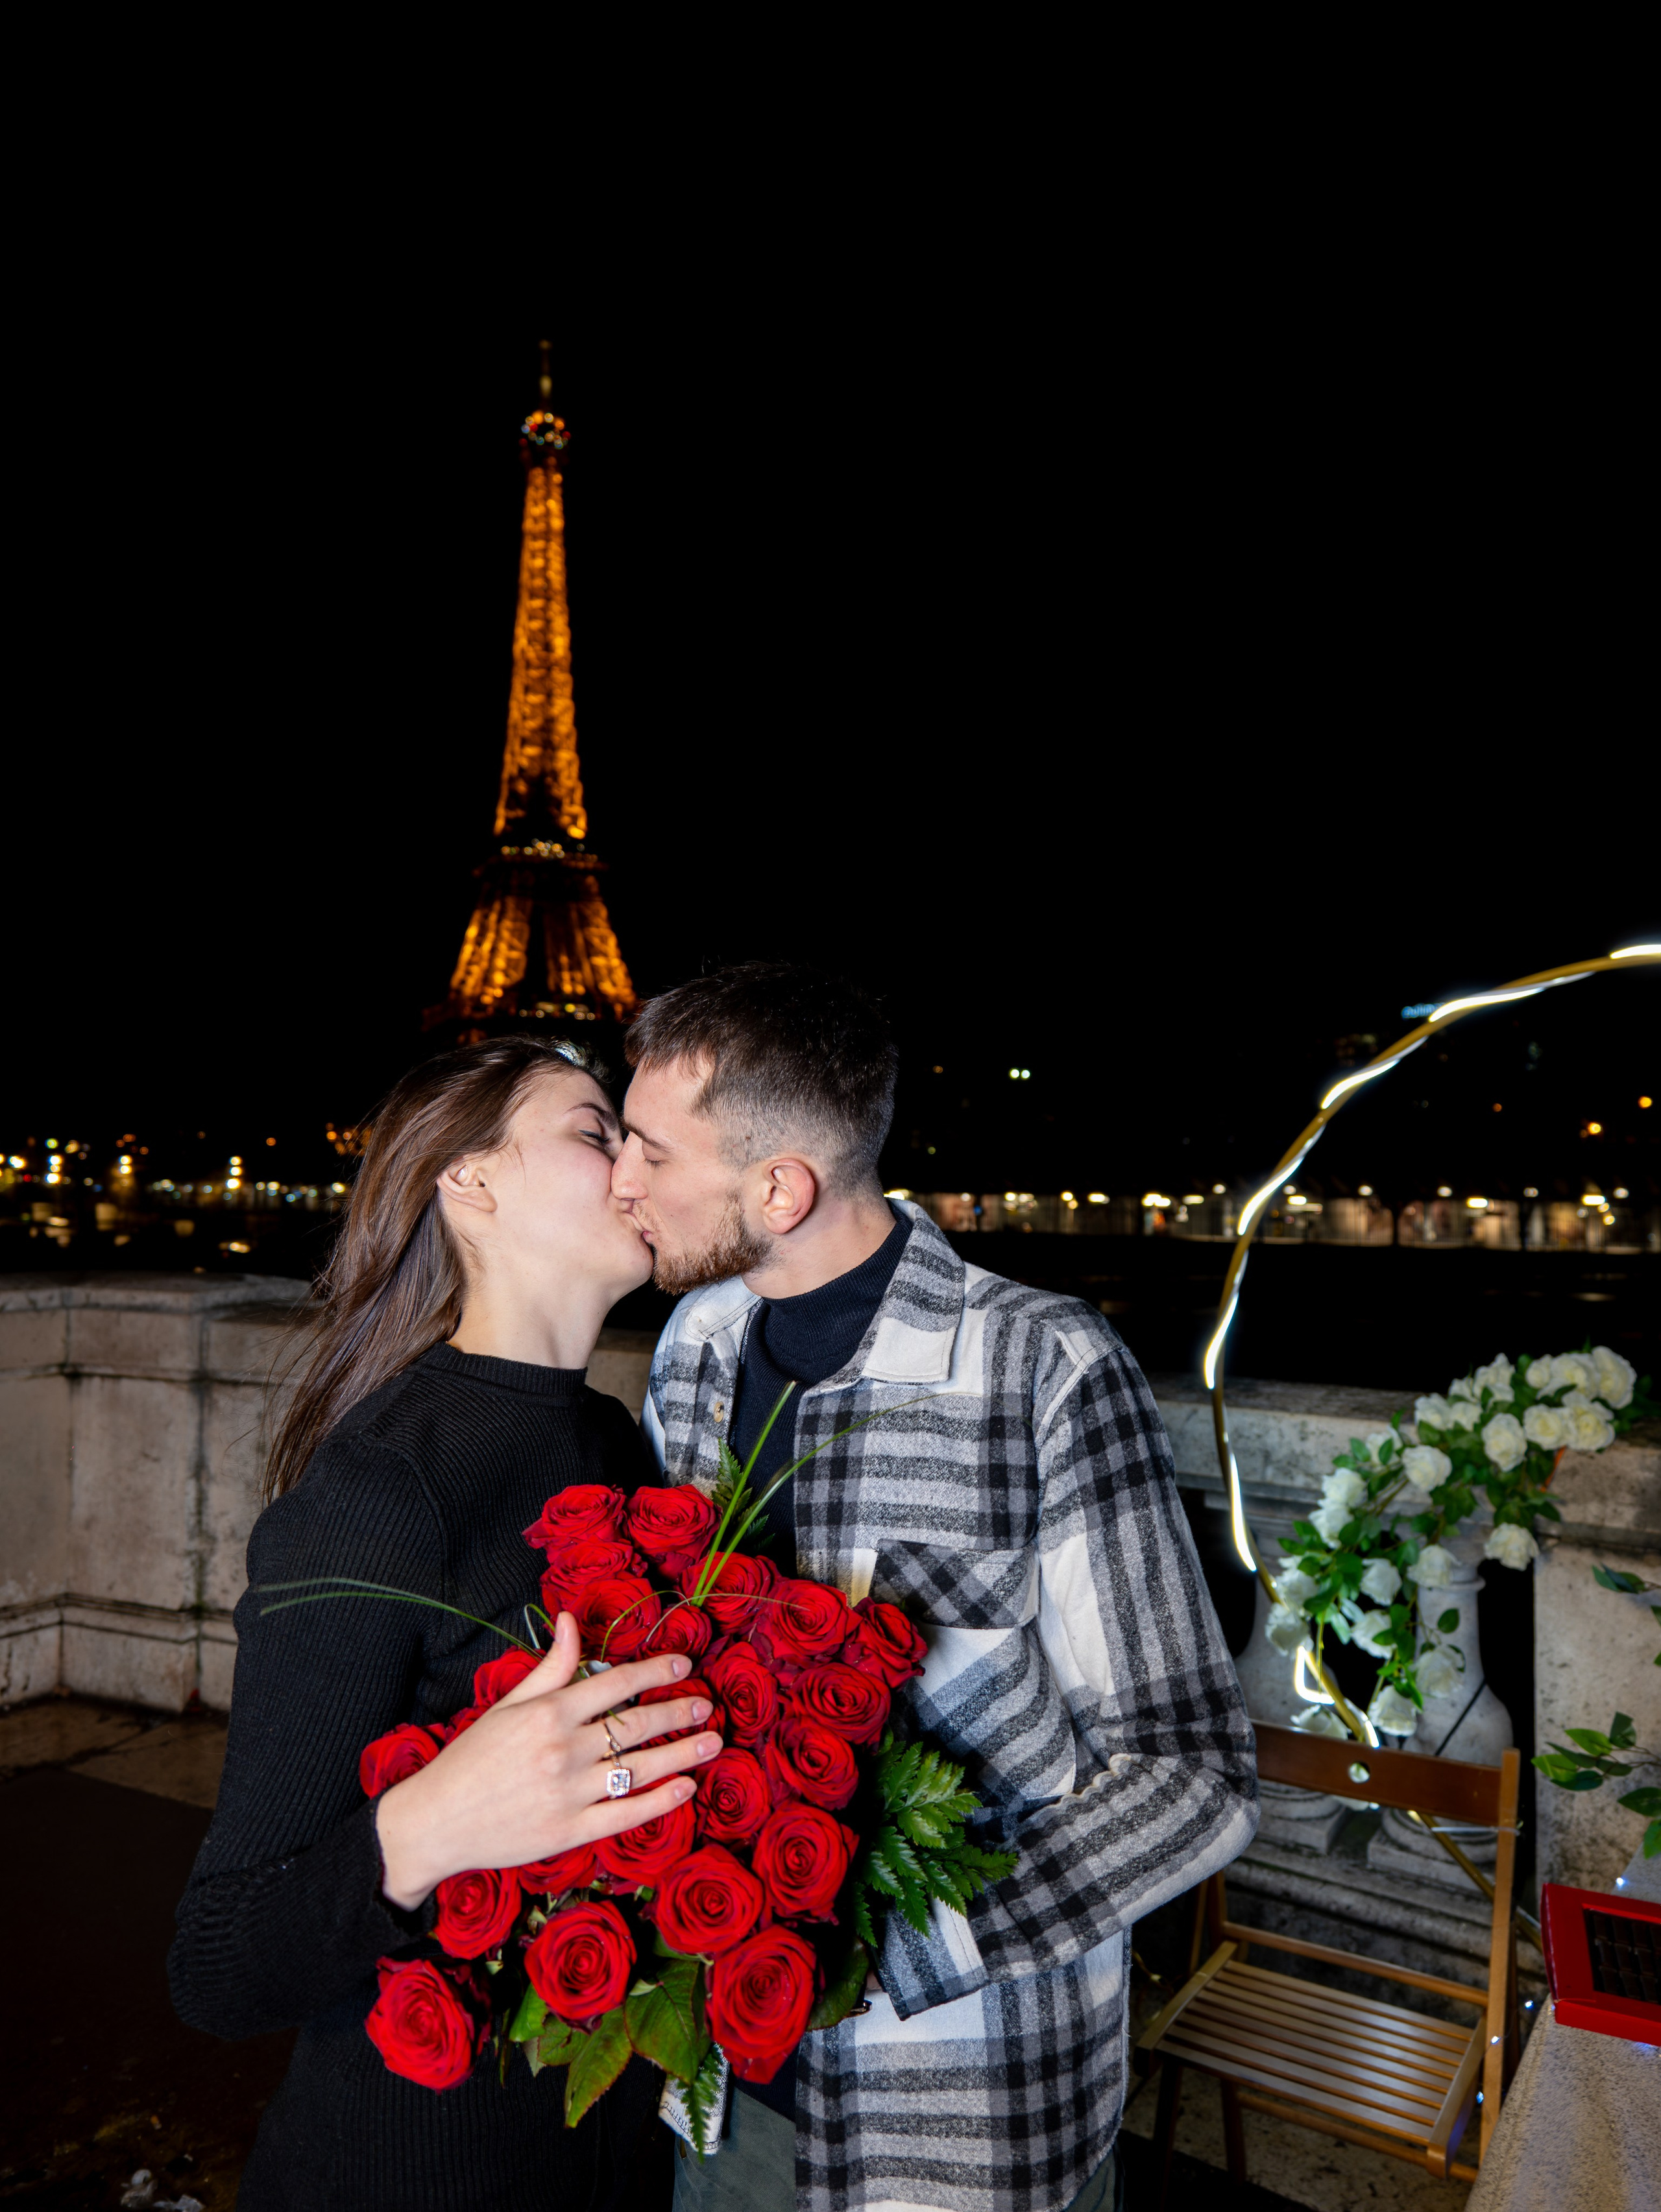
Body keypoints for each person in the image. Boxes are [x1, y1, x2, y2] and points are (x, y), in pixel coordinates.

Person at [612, 965, 1259, 2212]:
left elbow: (1195, 1776)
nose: (620, 1181)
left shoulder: (1043, 1365)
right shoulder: (695, 1345)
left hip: (967, 2117)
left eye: (650, 1150)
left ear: (780, 1188)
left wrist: (892, 1951)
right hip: (720, 2087)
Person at [169, 1037, 723, 2211]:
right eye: (597, 1133)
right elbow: (218, 1961)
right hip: (411, 2166)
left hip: (602, 2153)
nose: (636, 1165)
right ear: (468, 1181)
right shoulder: (381, 1489)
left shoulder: (615, 1442)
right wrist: (429, 1824)